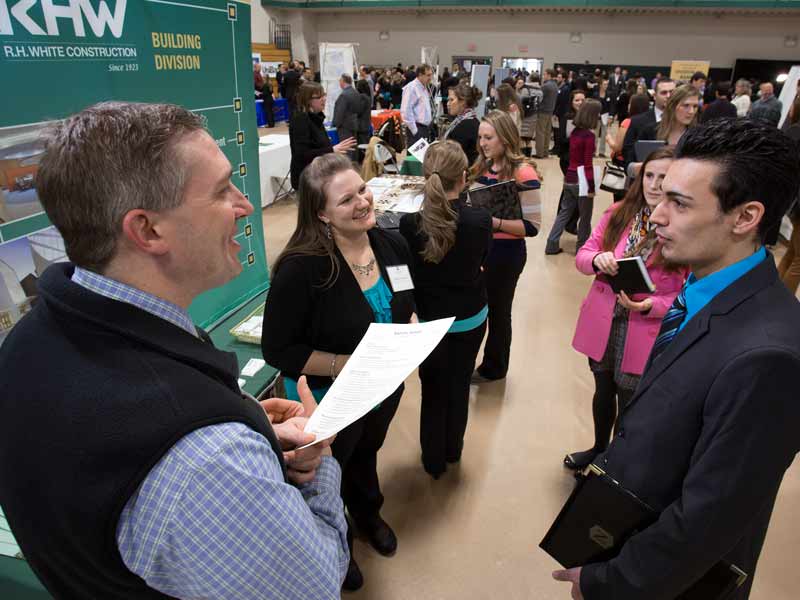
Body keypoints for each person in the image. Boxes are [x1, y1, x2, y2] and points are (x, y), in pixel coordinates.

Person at [0, 101, 349, 599]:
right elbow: (316, 584)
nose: (245, 205)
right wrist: (317, 467)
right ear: (148, 230)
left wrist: (253, 434)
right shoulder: (206, 462)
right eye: (221, 191)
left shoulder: (27, 346)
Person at [553, 117, 800, 600]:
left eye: (679, 203)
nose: (657, 215)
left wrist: (609, 581)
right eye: (661, 194)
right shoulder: (704, 289)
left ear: (745, 217)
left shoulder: (769, 356)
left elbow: (710, 516)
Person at [261, 153, 416, 592]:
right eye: (347, 199)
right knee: (329, 471)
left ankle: (368, 514)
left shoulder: (390, 244)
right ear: (322, 213)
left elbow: (405, 300)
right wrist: (348, 364)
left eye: (363, 189)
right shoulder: (302, 268)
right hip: (329, 397)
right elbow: (279, 348)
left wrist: (409, 332)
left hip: (383, 389)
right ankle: (338, 542)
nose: (364, 202)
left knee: (367, 452)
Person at [564, 147, 688, 471]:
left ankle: (614, 466)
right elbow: (584, 254)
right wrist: (596, 259)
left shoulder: (683, 229)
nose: (654, 184)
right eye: (649, 175)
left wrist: (651, 305)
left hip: (642, 325)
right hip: (605, 316)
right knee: (603, 388)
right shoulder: (619, 214)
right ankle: (598, 449)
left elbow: (686, 294)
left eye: (663, 177)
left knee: (629, 400)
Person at [398, 141, 492, 479]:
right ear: (464, 177)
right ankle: (453, 449)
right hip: (469, 320)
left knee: (433, 389)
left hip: (430, 324)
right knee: (460, 384)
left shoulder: (410, 225)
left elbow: (408, 274)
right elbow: (482, 263)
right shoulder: (480, 220)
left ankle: (432, 458)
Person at [470, 110, 542, 383]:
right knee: (479, 310)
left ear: (505, 139)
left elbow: (532, 226)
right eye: (480, 137)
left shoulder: (523, 173)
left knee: (499, 312)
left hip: (506, 254)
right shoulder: (482, 167)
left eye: (488, 137)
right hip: (482, 250)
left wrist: (494, 222)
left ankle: (495, 367)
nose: (482, 143)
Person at [545, 99, 602, 255]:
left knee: (564, 213)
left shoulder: (574, 133)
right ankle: (581, 248)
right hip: (582, 181)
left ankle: (551, 243)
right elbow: (587, 164)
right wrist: (591, 186)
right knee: (585, 217)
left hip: (569, 178)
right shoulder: (589, 136)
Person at [289, 83, 356, 191]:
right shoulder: (301, 119)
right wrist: (332, 150)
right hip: (307, 179)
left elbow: (318, 146)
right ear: (307, 100)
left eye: (324, 95)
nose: (324, 99)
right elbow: (302, 154)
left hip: (319, 176)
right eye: (319, 97)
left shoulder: (316, 117)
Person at [621, 77, 676, 170]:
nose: (668, 96)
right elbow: (628, 154)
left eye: (672, 92)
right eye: (664, 92)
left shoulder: (684, 122)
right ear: (654, 96)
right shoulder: (637, 121)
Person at [778, 95, 800, 294]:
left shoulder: (792, 131)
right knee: (798, 260)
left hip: (794, 203)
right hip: (797, 203)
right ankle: (781, 298)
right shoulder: (796, 132)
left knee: (793, 253)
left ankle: (776, 293)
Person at [443, 81, 483, 165]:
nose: (448, 104)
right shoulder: (466, 120)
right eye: (448, 100)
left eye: (451, 100)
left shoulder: (465, 126)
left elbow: (453, 157)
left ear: (463, 102)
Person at [400, 64, 435, 144]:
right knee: (415, 156)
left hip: (425, 128)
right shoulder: (411, 88)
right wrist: (415, 131)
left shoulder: (424, 87)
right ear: (420, 75)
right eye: (428, 75)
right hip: (416, 129)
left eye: (431, 75)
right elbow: (406, 111)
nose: (430, 78)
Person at [332, 74, 361, 150]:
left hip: (344, 126)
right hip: (354, 124)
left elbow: (339, 112)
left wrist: (335, 124)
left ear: (342, 82)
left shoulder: (343, 95)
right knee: (353, 148)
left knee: (346, 149)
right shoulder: (356, 93)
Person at [535, 68, 559, 158]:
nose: (543, 76)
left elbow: (539, 98)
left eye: (544, 74)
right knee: (547, 133)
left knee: (540, 132)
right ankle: (545, 152)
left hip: (543, 111)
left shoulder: (546, 86)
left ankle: (539, 153)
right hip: (550, 111)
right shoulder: (555, 85)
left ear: (549, 75)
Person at [519, 73, 543, 156]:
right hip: (534, 114)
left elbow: (520, 101)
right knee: (528, 138)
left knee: (522, 137)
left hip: (525, 115)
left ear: (530, 79)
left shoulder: (526, 89)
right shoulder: (540, 90)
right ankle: (528, 157)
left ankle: (523, 157)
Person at [354, 79, 373, 148]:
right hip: (366, 124)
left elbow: (358, 111)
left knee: (362, 146)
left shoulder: (362, 97)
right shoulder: (367, 97)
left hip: (361, 126)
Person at [595, 78, 612, 157]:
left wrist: (610, 116)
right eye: (604, 84)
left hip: (605, 116)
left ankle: (602, 152)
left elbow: (611, 106)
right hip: (596, 116)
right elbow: (593, 105)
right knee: (595, 134)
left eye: (607, 84)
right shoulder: (595, 94)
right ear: (601, 85)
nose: (606, 86)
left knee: (604, 134)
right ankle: (593, 151)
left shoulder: (609, 94)